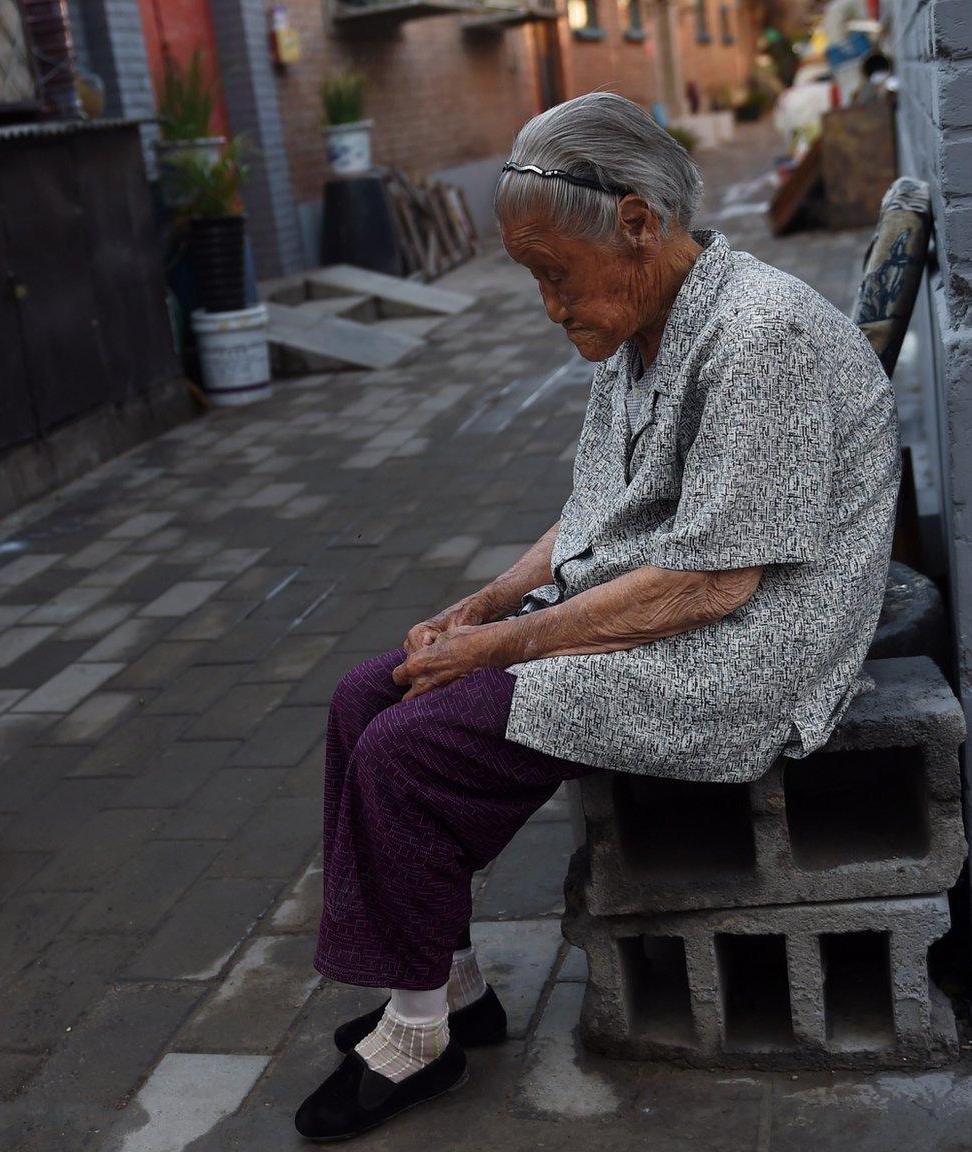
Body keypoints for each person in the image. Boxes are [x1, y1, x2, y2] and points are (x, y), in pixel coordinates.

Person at [294, 92, 900, 1141]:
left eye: (551, 276)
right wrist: (480, 605)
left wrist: (505, 642)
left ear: (633, 225)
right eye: (532, 277)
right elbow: (592, 518)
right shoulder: (639, 321)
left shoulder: (759, 336)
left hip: (753, 654)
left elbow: (715, 584)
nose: (546, 304)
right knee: (368, 696)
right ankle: (453, 991)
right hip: (677, 603)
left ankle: (416, 1037)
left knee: (415, 749)